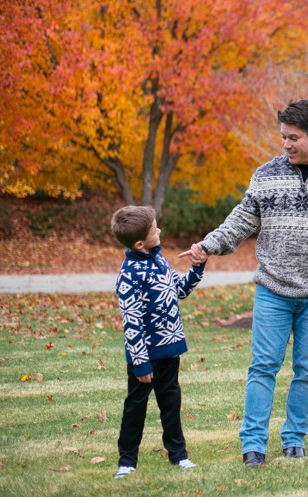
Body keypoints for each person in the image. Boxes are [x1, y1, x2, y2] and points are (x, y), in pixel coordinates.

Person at [182, 99, 308, 468]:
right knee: (263, 366)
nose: (285, 144)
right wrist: (209, 245)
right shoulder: (266, 175)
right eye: (282, 136)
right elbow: (241, 220)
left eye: (293, 137)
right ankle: (253, 444)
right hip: (273, 288)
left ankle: (294, 439)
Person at [110, 205, 206, 479]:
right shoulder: (129, 274)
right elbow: (132, 322)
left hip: (170, 349)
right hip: (145, 356)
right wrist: (140, 363)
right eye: (155, 229)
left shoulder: (159, 260)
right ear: (139, 242)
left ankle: (179, 456)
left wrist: (197, 268)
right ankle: (127, 462)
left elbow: (180, 290)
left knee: (171, 402)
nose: (159, 230)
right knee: (136, 407)